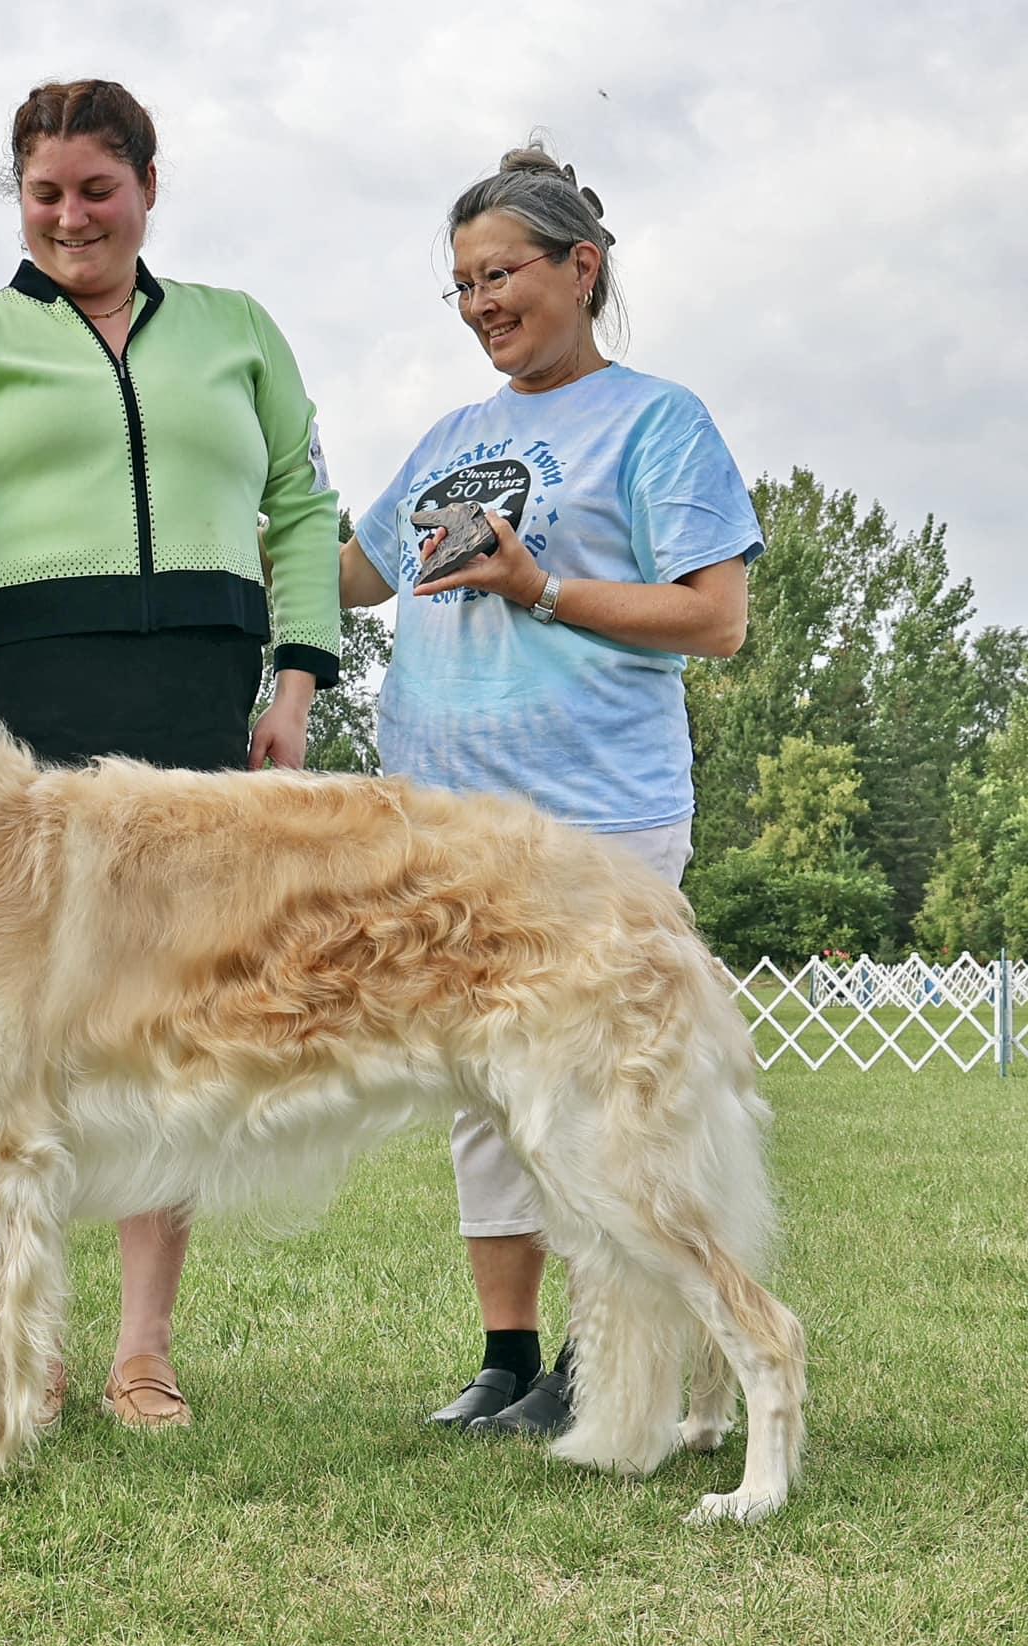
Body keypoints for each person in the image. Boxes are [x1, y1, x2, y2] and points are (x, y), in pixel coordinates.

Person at [0, 79, 341, 1430]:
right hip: (19, 712)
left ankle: (142, 1353)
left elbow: (302, 503)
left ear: (149, 188)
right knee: (23, 1041)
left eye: (97, 190)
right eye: (45, 192)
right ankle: (26, 1344)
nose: (71, 217)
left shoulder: (238, 331)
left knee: (161, 1029)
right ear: (19, 196)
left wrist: (297, 676)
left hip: (195, 701)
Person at [339, 145, 760, 1435]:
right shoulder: (452, 437)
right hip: (446, 822)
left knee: (601, 1092)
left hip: (595, 813)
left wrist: (543, 587)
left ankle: (611, 1356)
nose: (480, 306)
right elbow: (356, 574)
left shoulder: (659, 421)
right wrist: (233, 524)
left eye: (500, 275)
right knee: (483, 1092)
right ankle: (510, 1357)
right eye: (462, 285)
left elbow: (716, 618)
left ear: (582, 268)